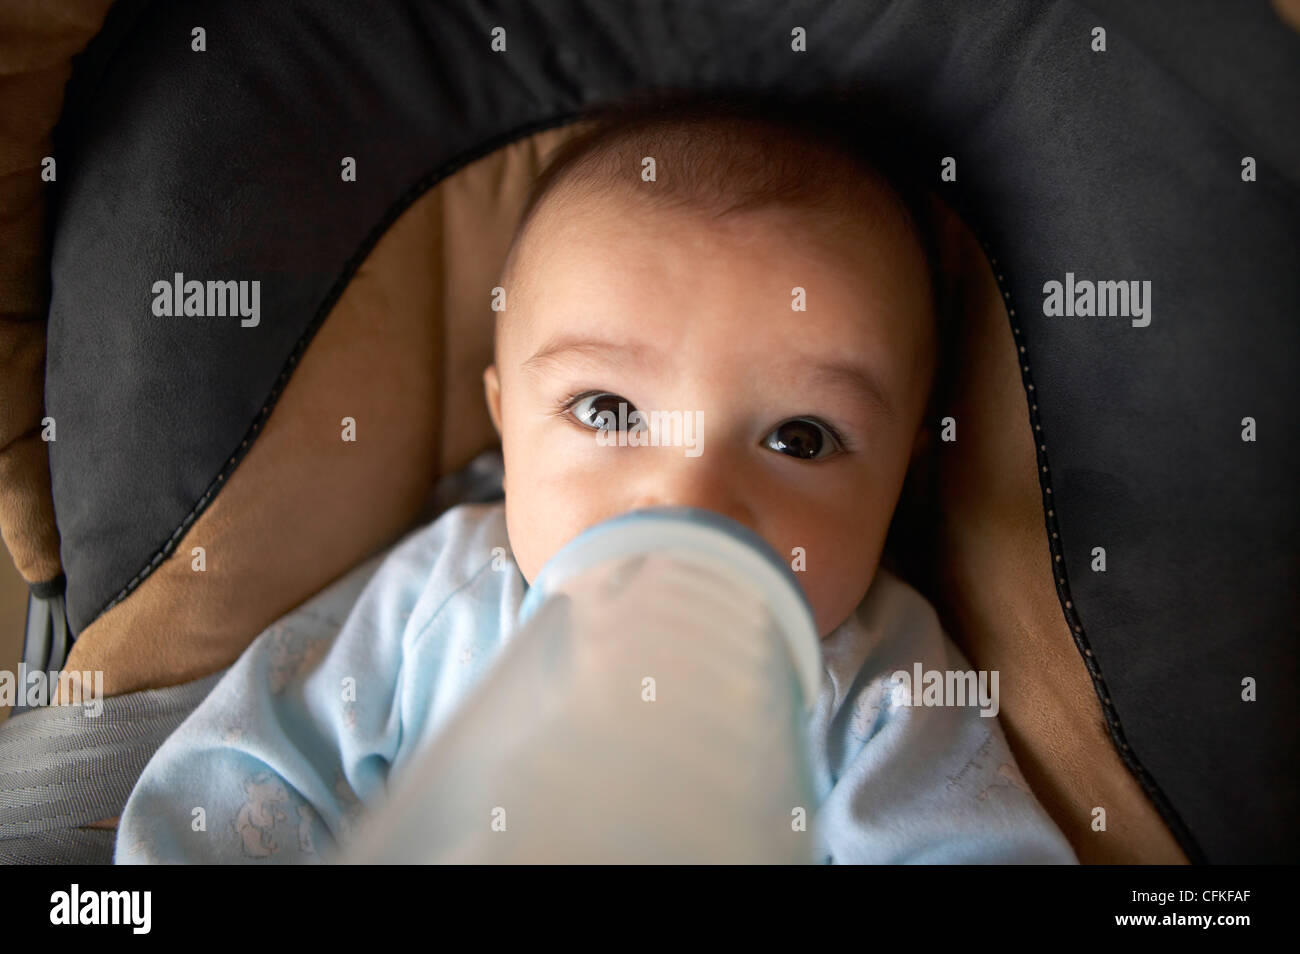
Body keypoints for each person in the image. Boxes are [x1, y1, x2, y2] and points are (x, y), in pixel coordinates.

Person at [115, 95, 1077, 864]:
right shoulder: (438, 603)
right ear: (506, 419)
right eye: (609, 411)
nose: (692, 500)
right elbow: (245, 782)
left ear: (902, 472)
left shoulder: (885, 688)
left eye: (800, 437)